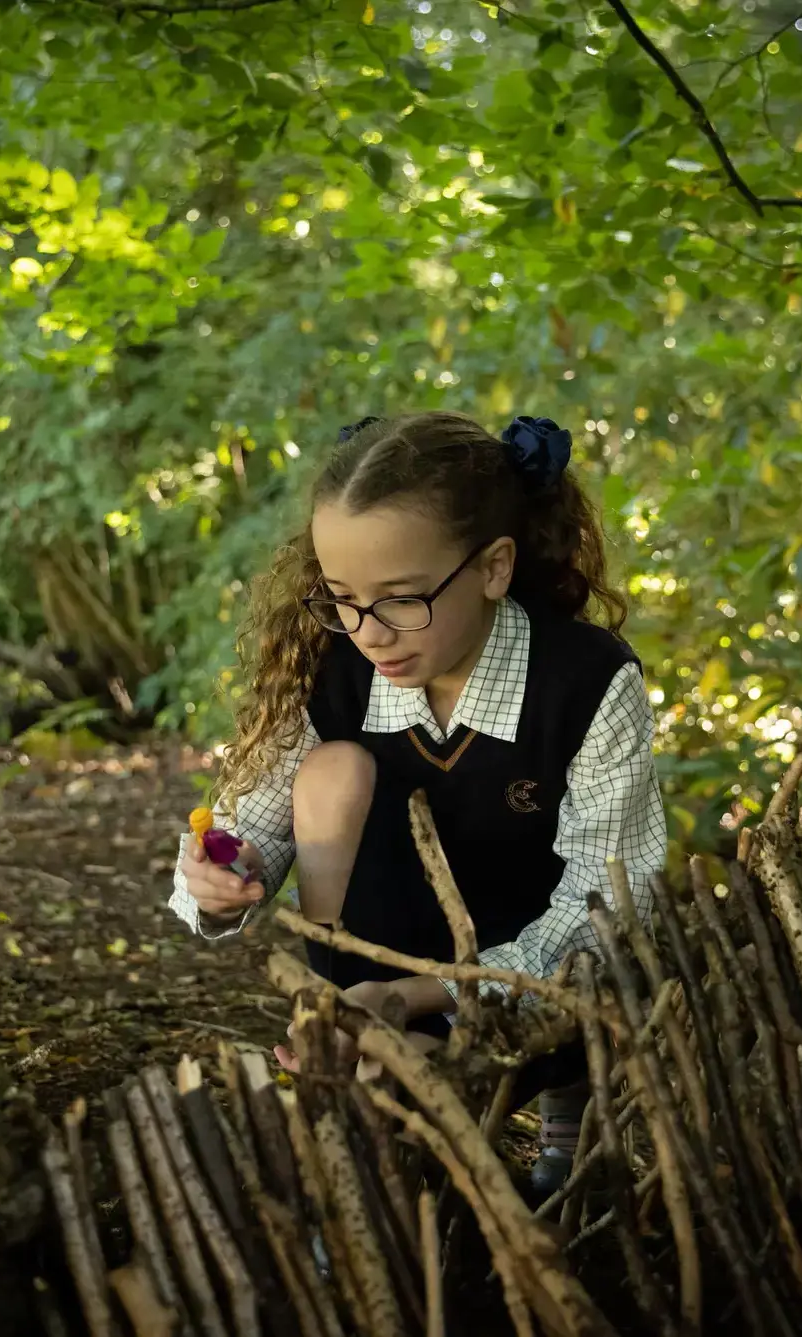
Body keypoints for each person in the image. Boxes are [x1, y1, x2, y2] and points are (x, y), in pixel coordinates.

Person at [170, 411, 666, 1195]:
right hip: (376, 974)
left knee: (588, 961)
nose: (370, 632)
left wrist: (421, 992)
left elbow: (606, 908)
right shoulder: (337, 671)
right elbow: (245, 820)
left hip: (528, 968)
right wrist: (222, 874)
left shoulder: (586, 685)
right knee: (333, 769)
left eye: (402, 598)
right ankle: (359, 1059)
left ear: (494, 567)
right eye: (341, 598)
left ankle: (566, 1127)